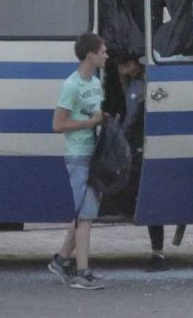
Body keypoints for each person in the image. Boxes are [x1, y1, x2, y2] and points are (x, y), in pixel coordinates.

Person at [47, 33, 108, 290]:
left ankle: (61, 261)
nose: (106, 55)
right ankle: (82, 272)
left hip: (93, 154)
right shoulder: (71, 85)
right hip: (78, 154)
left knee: (85, 212)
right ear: (89, 55)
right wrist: (88, 123)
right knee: (85, 217)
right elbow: (57, 125)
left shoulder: (96, 83)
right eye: (102, 51)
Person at [115, 54, 169, 271]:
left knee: (148, 196)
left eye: (127, 65)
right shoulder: (137, 83)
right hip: (138, 146)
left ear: (138, 62)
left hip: (140, 146)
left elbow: (132, 117)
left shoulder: (145, 85)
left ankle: (158, 253)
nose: (125, 70)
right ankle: (158, 252)